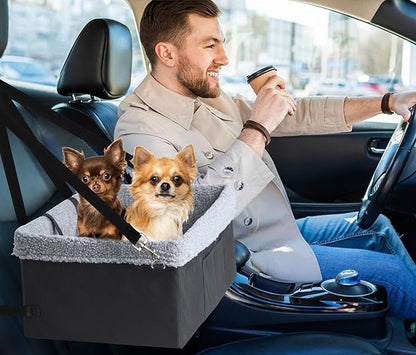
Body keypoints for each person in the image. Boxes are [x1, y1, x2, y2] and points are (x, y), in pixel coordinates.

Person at [115, 0, 416, 317]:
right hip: (245, 259)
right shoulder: (139, 128)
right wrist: (257, 127)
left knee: (379, 227)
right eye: (209, 45)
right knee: (391, 273)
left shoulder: (205, 97)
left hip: (272, 231)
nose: (224, 58)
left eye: (222, 44)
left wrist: (387, 102)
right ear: (167, 54)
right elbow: (188, 214)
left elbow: (295, 115)